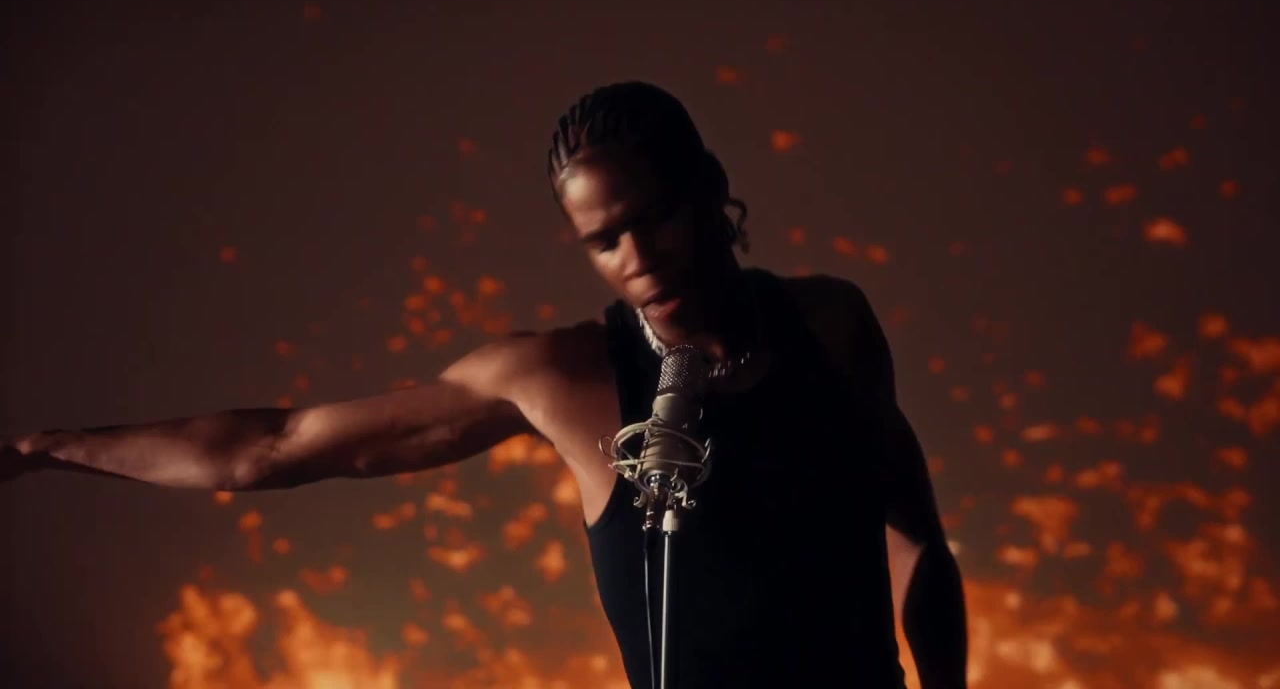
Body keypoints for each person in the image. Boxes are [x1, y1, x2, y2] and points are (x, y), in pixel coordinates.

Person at [2, 81, 967, 688]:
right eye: (603, 240)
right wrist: (46, 449)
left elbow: (916, 537)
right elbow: (275, 447)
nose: (637, 257)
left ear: (710, 187)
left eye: (655, 217)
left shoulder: (830, 325)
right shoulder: (563, 377)